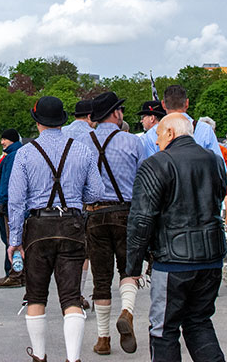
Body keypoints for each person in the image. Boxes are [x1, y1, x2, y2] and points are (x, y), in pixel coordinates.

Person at [8, 96, 102, 362]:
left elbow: (16, 201)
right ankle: (73, 358)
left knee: (36, 295)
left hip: (37, 226)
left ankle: (39, 356)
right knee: (71, 297)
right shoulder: (82, 150)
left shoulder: (25, 153)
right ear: (61, 121)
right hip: (72, 224)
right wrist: (74, 200)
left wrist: (14, 240)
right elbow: (96, 192)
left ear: (37, 122)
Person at [127, 113, 227, 362]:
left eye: (159, 135)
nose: (157, 141)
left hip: (173, 260)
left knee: (163, 329)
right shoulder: (214, 161)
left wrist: (132, 266)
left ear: (170, 133)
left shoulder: (157, 164)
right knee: (199, 322)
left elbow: (141, 219)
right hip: (211, 257)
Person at [81, 91, 146, 355]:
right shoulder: (133, 142)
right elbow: (144, 183)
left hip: (95, 215)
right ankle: (127, 312)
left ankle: (103, 338)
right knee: (129, 269)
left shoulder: (83, 143)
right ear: (116, 113)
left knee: (101, 277)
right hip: (126, 212)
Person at [141, 85, 225, 162]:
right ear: (187, 103)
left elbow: (152, 169)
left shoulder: (153, 134)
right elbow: (220, 167)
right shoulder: (205, 130)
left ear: (163, 104)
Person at [0, 128, 24, 288]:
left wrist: (0, 204)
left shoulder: (12, 156)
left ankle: (15, 274)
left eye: (4, 139)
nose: (1, 142)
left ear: (11, 140)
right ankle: (17, 273)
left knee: (12, 239)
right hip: (13, 204)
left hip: (9, 205)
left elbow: (7, 183)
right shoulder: (18, 153)